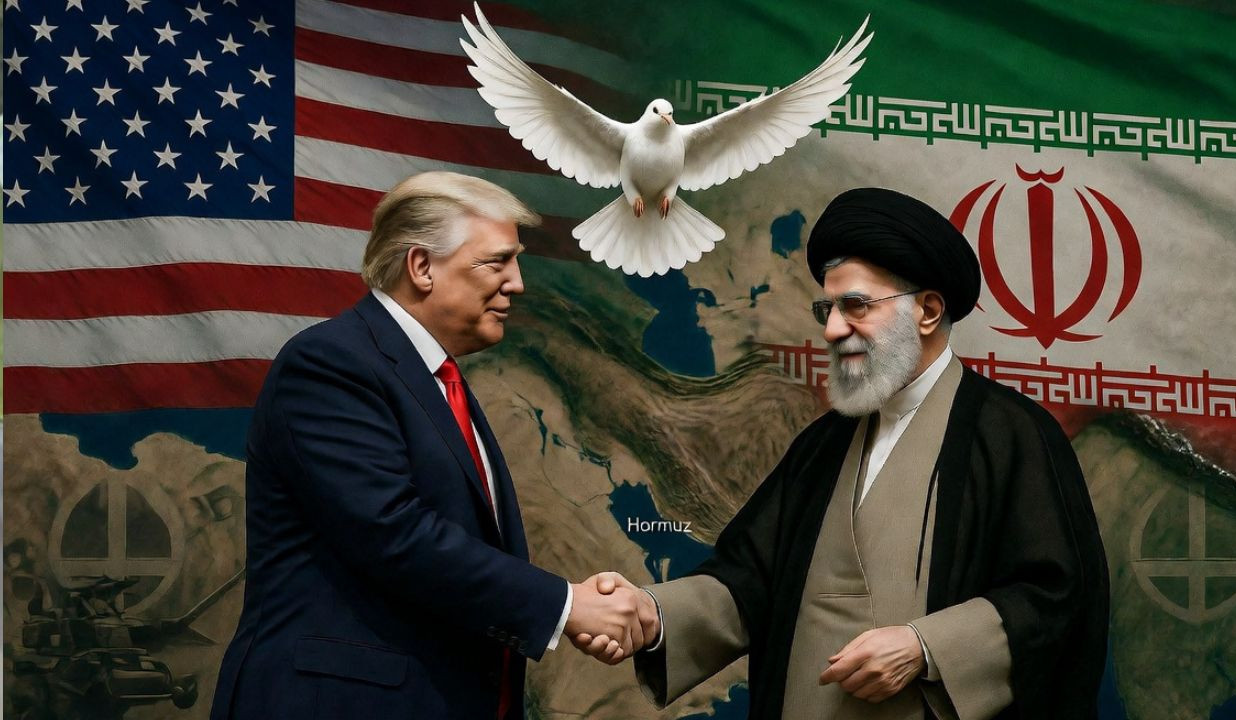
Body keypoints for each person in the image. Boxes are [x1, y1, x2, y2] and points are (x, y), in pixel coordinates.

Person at [577, 188, 1109, 719]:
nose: (832, 329)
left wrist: (925, 647)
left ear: (927, 311)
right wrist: (653, 614)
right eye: (826, 309)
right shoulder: (823, 444)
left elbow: (1056, 599)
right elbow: (750, 578)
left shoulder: (1012, 435)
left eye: (856, 306)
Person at [211, 172, 650, 720]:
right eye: (497, 262)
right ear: (421, 266)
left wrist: (572, 607)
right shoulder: (330, 363)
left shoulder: (439, 381)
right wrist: (566, 606)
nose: (517, 283)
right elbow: (392, 532)